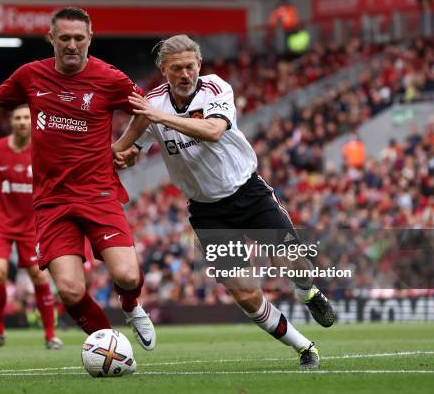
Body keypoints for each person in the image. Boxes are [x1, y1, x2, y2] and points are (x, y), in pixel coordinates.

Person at [0, 7, 155, 350]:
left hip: (97, 193)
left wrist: (123, 146)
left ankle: (131, 306)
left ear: (90, 39)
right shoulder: (30, 76)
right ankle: (111, 346)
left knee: (127, 276)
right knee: (70, 290)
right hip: (52, 201)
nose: (72, 45)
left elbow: (145, 111)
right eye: (65, 38)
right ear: (51, 38)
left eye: (79, 38)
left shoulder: (110, 78)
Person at [112, 35, 336, 369]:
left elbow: (214, 130)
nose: (185, 74)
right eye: (177, 68)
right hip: (207, 211)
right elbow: (126, 148)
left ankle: (309, 294)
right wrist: (126, 157)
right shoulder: (152, 104)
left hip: (249, 194)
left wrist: (158, 119)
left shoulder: (215, 89)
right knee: (246, 294)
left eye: (190, 66)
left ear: (199, 65)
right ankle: (306, 348)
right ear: (163, 70)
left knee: (295, 264)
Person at [0, 105, 62, 351]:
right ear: (11, 121)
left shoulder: (44, 149)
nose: (21, 122)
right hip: (0, 221)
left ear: (33, 121)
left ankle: (50, 335)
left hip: (32, 224)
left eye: (26, 117)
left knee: (38, 275)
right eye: (17, 117)